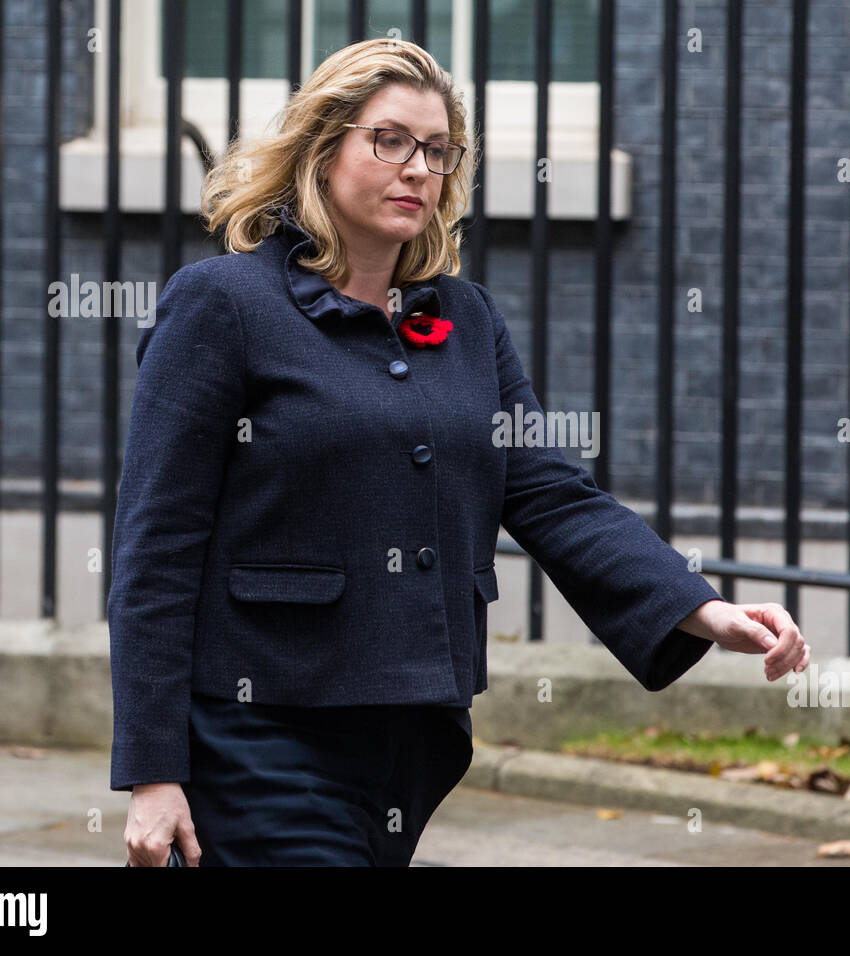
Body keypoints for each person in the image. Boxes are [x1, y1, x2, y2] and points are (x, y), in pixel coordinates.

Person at [110, 38, 809, 867]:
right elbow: (156, 546)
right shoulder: (223, 305)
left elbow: (552, 493)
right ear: (323, 149)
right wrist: (154, 771)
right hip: (262, 734)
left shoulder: (465, 319)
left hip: (414, 743)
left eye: (439, 151)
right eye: (391, 140)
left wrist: (701, 609)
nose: (418, 169)